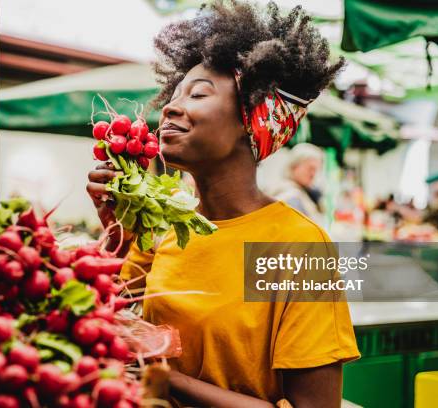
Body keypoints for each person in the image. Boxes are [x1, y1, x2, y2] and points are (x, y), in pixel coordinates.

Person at [87, 2, 360, 407]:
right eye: (175, 94)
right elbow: (105, 328)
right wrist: (117, 235)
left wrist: (169, 382)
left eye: (198, 94)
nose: (171, 108)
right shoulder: (163, 229)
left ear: (252, 118)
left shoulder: (297, 247)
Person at [275, 143, 324, 225]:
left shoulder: (302, 191)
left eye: (316, 170)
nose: (313, 174)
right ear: (294, 166)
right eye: (310, 168)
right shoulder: (290, 196)